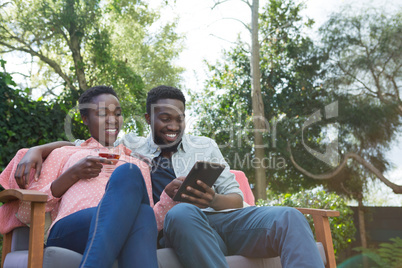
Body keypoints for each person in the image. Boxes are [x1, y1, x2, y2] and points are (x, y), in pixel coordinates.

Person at [15, 85, 325, 268]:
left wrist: (214, 199)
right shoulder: (130, 148)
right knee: (182, 211)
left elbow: (237, 199)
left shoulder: (205, 146)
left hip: (222, 219)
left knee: (289, 217)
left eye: (179, 118)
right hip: (177, 224)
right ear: (148, 119)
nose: (173, 126)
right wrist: (37, 149)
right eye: (164, 118)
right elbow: (82, 145)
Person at [1, 86, 160, 268]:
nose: (112, 120)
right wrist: (72, 174)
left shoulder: (139, 163)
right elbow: (25, 211)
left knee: (141, 205)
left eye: (117, 114)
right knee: (134, 191)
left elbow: (151, 221)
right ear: (85, 118)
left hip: (127, 222)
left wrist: (169, 199)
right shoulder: (66, 153)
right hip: (70, 229)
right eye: (102, 114)